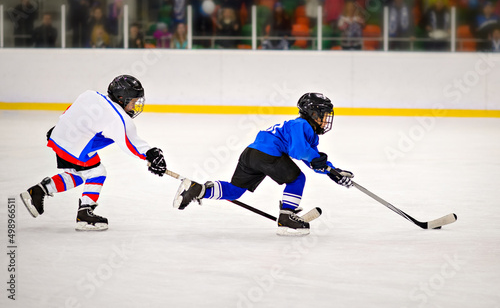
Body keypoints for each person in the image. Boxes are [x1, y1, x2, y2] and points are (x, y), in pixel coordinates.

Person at [173, 93, 354, 236]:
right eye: (323, 115)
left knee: (235, 190)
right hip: (269, 154)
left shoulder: (307, 132)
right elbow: (300, 151)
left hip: (251, 154)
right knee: (297, 179)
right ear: (313, 114)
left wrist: (332, 172)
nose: (325, 120)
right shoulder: (302, 125)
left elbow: (311, 159)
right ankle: (287, 217)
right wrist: (321, 162)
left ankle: (198, 190)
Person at [19, 75, 167, 231]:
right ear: (121, 98)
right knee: (97, 172)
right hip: (73, 147)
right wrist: (151, 154)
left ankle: (39, 191)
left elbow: (72, 111)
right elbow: (131, 143)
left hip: (59, 138)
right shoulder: (118, 117)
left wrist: (59, 128)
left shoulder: (90, 95)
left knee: (77, 174)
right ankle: (85, 214)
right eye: (133, 102)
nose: (135, 106)